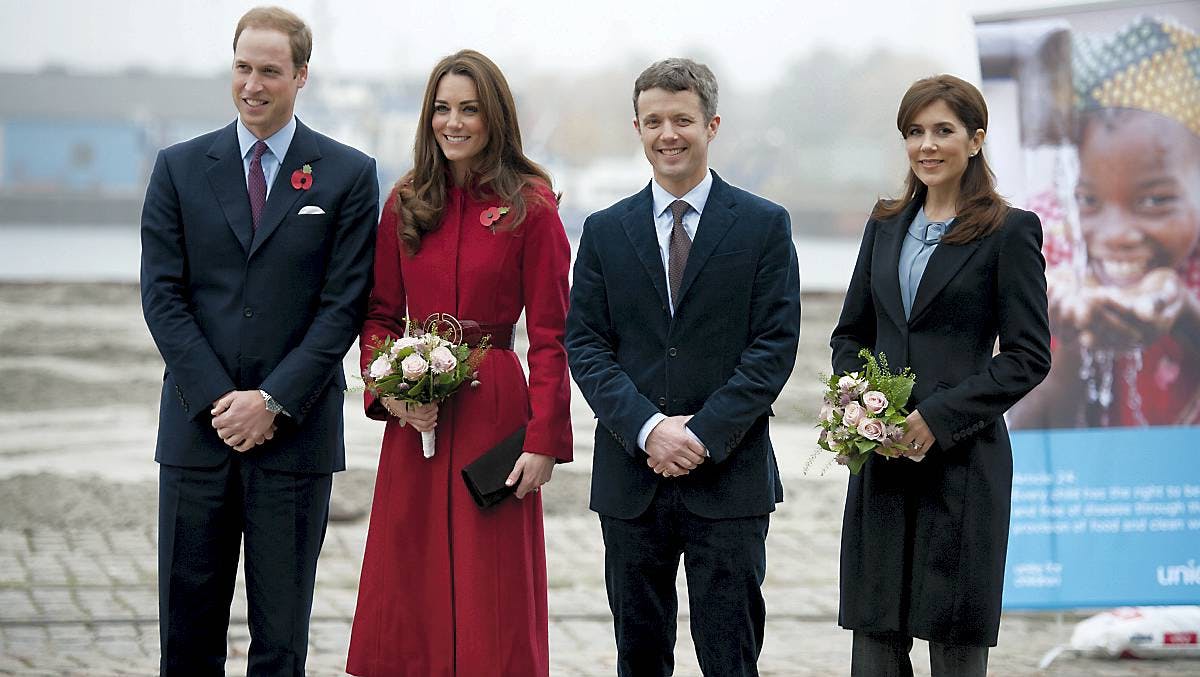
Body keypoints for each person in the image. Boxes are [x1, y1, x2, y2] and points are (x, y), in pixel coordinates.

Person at [140, 6, 379, 675]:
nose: (253, 84)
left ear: (301, 76)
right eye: (243, 68)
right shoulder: (178, 169)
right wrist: (224, 398)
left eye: (270, 71)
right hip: (196, 432)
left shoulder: (348, 176)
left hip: (295, 442)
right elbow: (163, 296)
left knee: (281, 643)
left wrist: (272, 400)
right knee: (186, 640)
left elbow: (343, 307)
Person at [565, 58, 801, 676]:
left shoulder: (763, 225)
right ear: (637, 129)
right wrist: (649, 429)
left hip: (730, 478)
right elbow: (585, 345)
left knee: (731, 655)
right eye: (654, 122)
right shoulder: (604, 230)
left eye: (682, 120)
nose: (668, 134)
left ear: (712, 124)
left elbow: (773, 347)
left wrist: (699, 434)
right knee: (638, 656)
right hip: (631, 476)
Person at [345, 49, 572, 676]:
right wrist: (389, 393)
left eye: (469, 109)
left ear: (493, 116)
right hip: (414, 412)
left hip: (495, 409)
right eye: (443, 109)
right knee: (407, 572)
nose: (454, 122)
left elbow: (552, 336)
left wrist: (544, 440)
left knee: (490, 581)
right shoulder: (407, 201)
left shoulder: (533, 208)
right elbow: (380, 317)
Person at [829, 74, 1051, 676]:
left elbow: (1029, 356)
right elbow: (851, 334)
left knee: (954, 651)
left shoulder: (1010, 230)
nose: (927, 145)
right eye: (915, 131)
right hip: (881, 465)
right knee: (874, 652)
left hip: (962, 468)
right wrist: (863, 402)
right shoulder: (884, 224)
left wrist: (936, 417)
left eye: (943, 131)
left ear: (975, 140)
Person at [1008, 16, 1200, 429]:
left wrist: (1187, 317)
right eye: (1087, 200)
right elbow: (1021, 436)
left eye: (1154, 200)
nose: (1115, 236)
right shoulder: (1048, 254)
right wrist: (1071, 343)